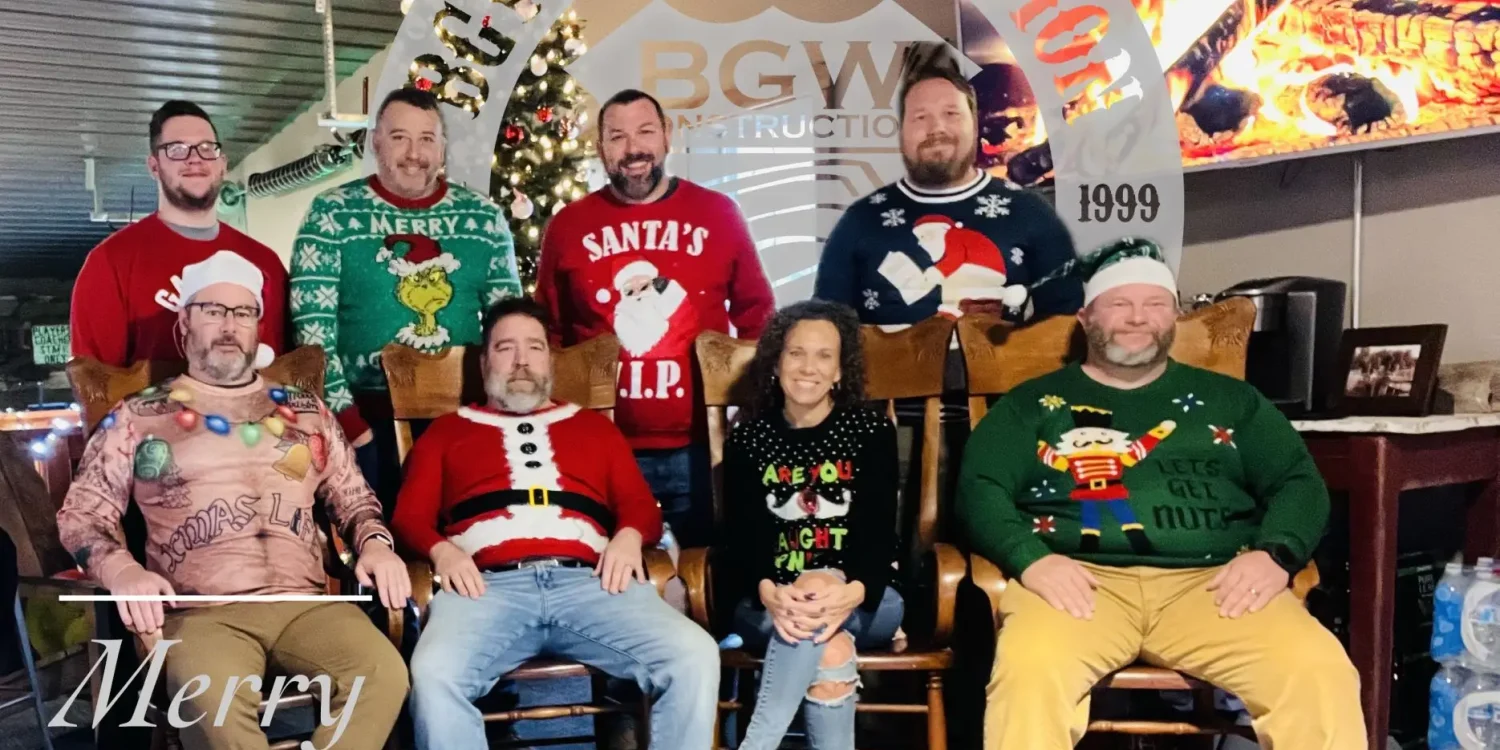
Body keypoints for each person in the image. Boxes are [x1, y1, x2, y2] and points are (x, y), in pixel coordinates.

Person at [956, 238, 1366, 749]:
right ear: (1086, 318)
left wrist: (1277, 554)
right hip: (1077, 583)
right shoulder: (1031, 404)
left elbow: (1299, 483)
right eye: (1119, 304)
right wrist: (1030, 559)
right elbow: (980, 489)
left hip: (1214, 586)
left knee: (1318, 672)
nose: (1137, 319)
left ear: (1173, 316)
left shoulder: (1233, 401)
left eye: (1154, 304)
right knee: (1028, 676)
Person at [55, 250, 411, 750]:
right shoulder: (138, 415)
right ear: (185, 325)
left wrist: (375, 545)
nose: (228, 325)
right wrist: (123, 571)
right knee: (212, 705)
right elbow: (82, 515)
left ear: (257, 328)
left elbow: (355, 501)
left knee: (382, 673)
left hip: (307, 606)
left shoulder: (306, 411)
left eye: (242, 313)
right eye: (212, 310)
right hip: (201, 613)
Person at [391, 297, 720, 750]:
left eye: (535, 347)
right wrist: (442, 550)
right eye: (506, 348)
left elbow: (641, 508)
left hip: (591, 583)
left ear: (551, 359)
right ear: (485, 361)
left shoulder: (594, 429)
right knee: (434, 674)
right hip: (485, 589)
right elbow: (408, 517)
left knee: (695, 655)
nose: (522, 360)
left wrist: (627, 537)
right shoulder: (447, 432)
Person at [535, 88, 775, 548]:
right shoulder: (567, 226)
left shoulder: (719, 214)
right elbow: (549, 333)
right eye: (617, 137)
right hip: (603, 446)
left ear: (667, 136)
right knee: (611, 577)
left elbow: (757, 315)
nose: (633, 149)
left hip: (702, 446)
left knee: (708, 571)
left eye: (645, 131)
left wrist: (751, 398)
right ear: (601, 147)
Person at [290, 86, 521, 512]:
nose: (414, 153)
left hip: (464, 421)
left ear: (443, 148)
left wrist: (497, 418)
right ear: (375, 142)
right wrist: (351, 427)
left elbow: (510, 330)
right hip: (365, 424)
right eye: (399, 137)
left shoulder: (484, 219)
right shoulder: (331, 215)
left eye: (427, 139)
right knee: (379, 554)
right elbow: (312, 338)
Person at [721, 300, 903, 750]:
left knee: (817, 608)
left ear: (841, 370)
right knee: (832, 651)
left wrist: (846, 590)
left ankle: (757, 743)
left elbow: (878, 536)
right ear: (776, 362)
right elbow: (743, 540)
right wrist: (772, 592)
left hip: (865, 598)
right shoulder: (749, 437)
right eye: (796, 353)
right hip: (770, 599)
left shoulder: (870, 432)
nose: (809, 367)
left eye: (825, 355)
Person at [814, 66, 1081, 326]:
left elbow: (1065, 326)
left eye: (951, 113)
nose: (936, 128)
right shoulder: (860, 220)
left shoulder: (1030, 212)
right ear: (901, 132)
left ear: (975, 126)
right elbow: (824, 327)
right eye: (920, 117)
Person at [71, 100, 286, 369]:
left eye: (207, 148)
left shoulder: (265, 263)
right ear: (153, 166)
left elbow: (284, 371)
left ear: (222, 164)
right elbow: (96, 387)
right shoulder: (111, 262)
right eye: (177, 149)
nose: (195, 158)